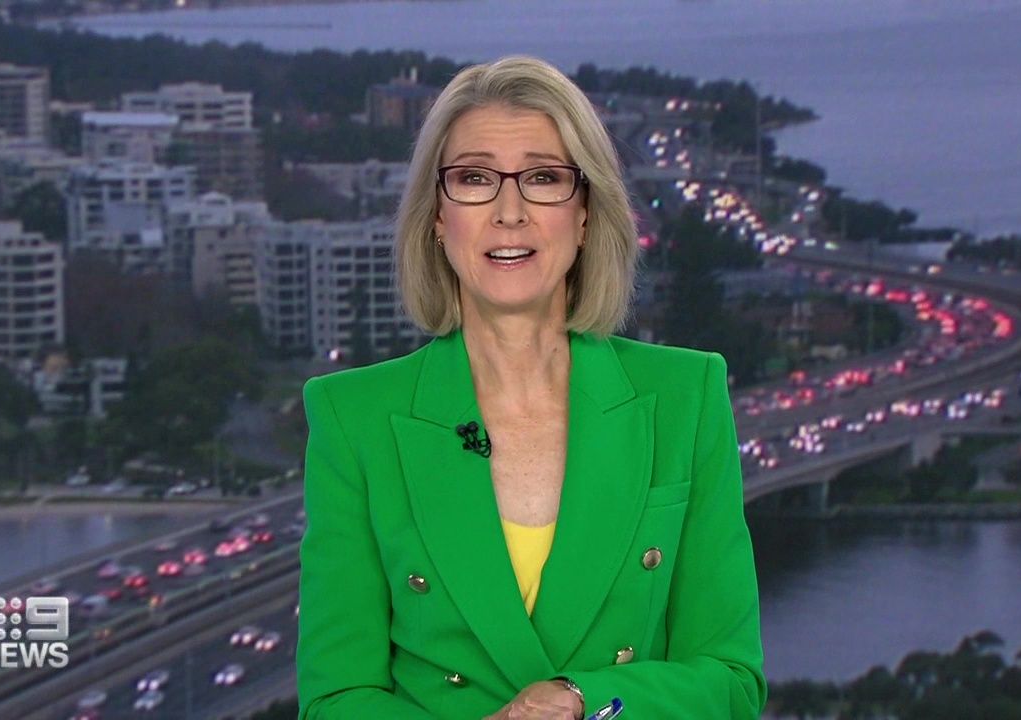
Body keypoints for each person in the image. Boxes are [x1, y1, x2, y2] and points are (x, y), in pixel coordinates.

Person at [296, 55, 766, 719]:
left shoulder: (687, 396)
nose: (509, 212)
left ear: (585, 213)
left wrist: (582, 700)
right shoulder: (353, 418)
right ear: (437, 216)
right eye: (474, 179)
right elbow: (334, 700)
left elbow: (732, 682)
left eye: (544, 178)